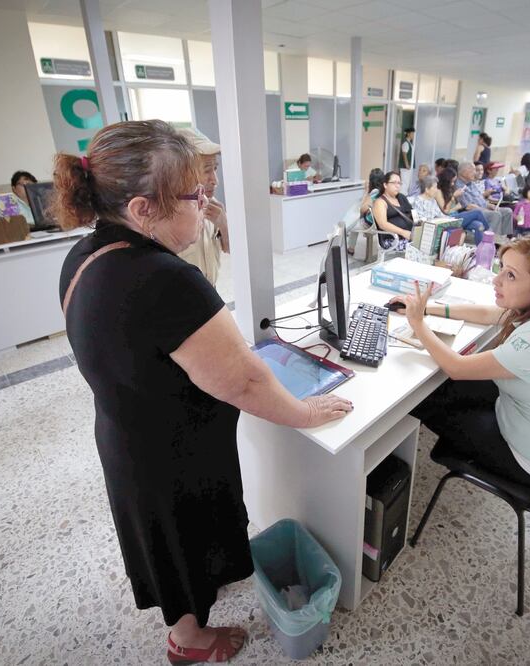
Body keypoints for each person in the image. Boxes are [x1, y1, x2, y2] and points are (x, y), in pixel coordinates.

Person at [53, 120, 352, 665]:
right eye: (195, 195)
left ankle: (189, 613)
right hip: (170, 453)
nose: (205, 202)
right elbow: (243, 380)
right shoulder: (163, 278)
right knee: (181, 542)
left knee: (164, 540)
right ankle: (188, 641)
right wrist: (304, 413)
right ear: (143, 209)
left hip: (128, 433)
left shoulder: (87, 254)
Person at [390, 234, 530, 486]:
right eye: (502, 269)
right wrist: (429, 308)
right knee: (441, 387)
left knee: (417, 399)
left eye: (511, 275)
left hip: (527, 457)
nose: (497, 279)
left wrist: (417, 323)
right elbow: (489, 313)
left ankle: (385, 470)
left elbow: (456, 368)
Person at [177, 129, 229, 286]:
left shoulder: (211, 203)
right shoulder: (168, 219)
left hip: (209, 293)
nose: (215, 180)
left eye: (215, 168)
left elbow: (229, 248)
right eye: (207, 170)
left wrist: (223, 223)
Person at [455, 162, 514, 237]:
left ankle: (504, 238)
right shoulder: (458, 186)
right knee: (495, 215)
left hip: (483, 208)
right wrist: (485, 209)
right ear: (464, 171)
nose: (475, 173)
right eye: (473, 170)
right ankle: (492, 241)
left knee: (507, 211)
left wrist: (489, 205)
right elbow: (468, 206)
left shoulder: (472, 184)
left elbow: (481, 200)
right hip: (473, 212)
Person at [434, 167, 488, 245]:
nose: (453, 184)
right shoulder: (438, 191)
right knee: (478, 212)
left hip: (456, 215)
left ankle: (481, 249)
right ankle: (489, 236)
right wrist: (453, 197)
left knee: (479, 225)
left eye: (454, 181)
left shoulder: (449, 189)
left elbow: (453, 208)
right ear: (446, 180)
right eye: (451, 181)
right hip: (448, 219)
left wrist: (457, 204)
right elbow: (445, 211)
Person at [372, 170, 414, 249]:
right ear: (385, 185)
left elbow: (412, 213)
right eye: (394, 183)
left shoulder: (401, 197)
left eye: (399, 183)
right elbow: (382, 224)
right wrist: (403, 232)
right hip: (393, 239)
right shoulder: (380, 202)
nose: (397, 186)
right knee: (421, 247)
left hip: (409, 236)